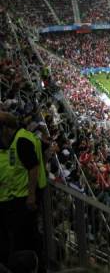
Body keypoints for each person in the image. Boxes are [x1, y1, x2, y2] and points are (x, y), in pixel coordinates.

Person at [0, 112, 47, 269]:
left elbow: (33, 167)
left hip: (24, 199)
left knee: (26, 238)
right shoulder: (17, 138)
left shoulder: (21, 141)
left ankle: (33, 266)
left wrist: (31, 196)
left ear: (6, 128)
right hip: (14, 197)